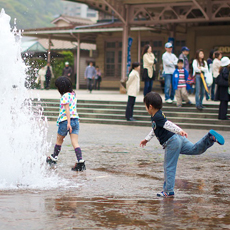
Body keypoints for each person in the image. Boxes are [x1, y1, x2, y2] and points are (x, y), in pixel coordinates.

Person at [140, 92, 225, 197]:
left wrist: (179, 131)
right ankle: (210, 138)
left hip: (172, 142)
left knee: (169, 166)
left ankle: (168, 191)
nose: (145, 108)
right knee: (195, 149)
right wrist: (146, 139)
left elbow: (168, 124)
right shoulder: (157, 116)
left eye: (145, 106)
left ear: (150, 106)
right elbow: (155, 129)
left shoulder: (157, 117)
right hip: (177, 139)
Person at [46, 76, 86, 171]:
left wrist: (68, 123)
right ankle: (80, 161)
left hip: (65, 121)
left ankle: (54, 157)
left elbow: (67, 109)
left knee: (59, 140)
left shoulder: (64, 96)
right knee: (75, 142)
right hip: (76, 120)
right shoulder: (73, 95)